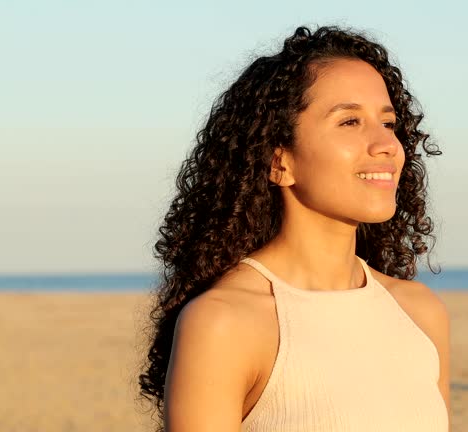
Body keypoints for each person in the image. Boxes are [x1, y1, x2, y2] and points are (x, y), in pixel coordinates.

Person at [138, 25, 450, 432]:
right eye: (350, 121)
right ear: (278, 161)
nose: (386, 145)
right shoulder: (223, 322)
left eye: (388, 123)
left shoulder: (419, 311)